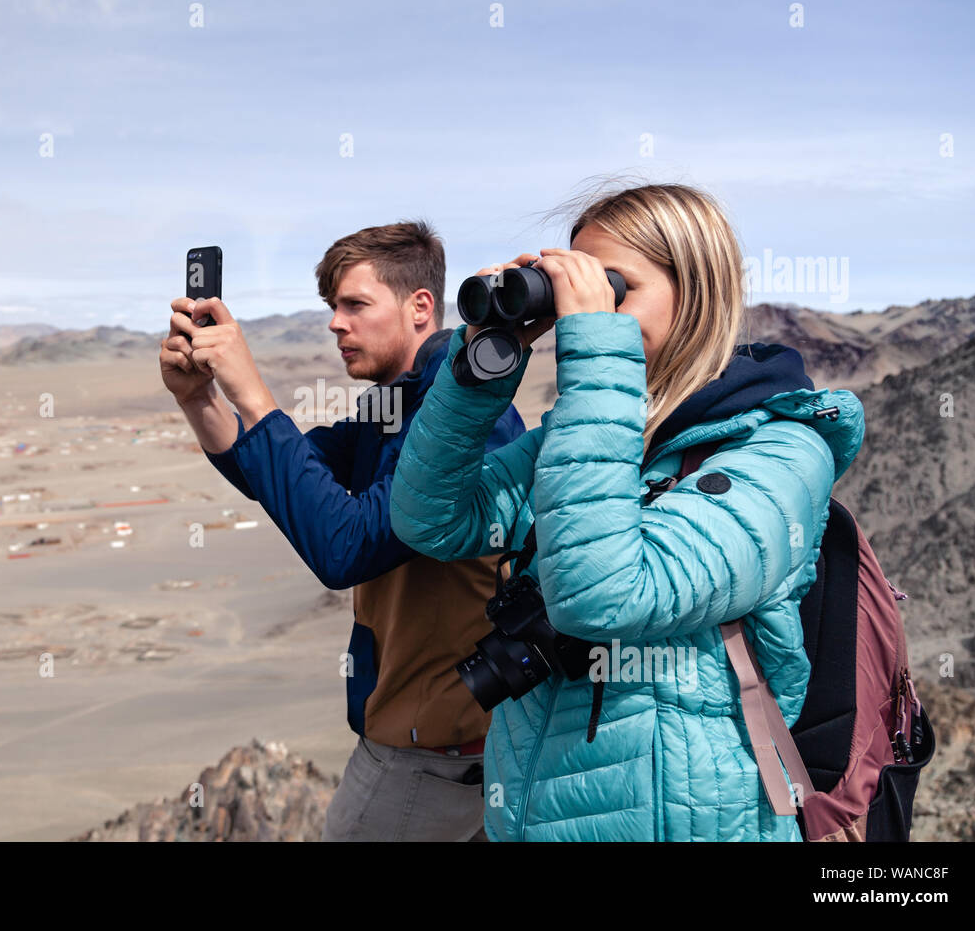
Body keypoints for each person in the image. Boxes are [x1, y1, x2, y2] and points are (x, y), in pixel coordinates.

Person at [389, 184, 866, 841]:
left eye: (615, 288)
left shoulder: (780, 452)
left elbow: (605, 597)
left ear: (696, 291)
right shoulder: (589, 432)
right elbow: (432, 520)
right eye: (575, 292)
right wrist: (479, 370)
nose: (585, 311)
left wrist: (597, 351)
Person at [158, 220, 525, 840]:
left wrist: (252, 392)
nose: (335, 323)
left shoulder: (464, 418)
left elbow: (344, 548)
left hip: (426, 765)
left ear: (420, 307)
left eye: (355, 304)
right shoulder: (398, 404)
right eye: (332, 307)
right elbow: (281, 474)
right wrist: (201, 400)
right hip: (430, 755)